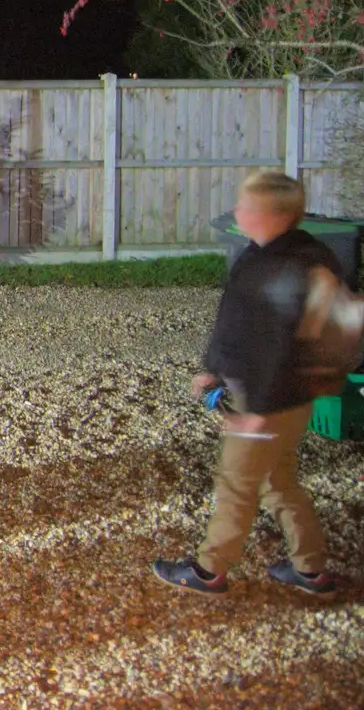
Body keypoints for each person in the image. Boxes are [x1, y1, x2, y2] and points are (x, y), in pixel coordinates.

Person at [152, 172, 343, 596]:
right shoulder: (297, 255)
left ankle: (207, 571)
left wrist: (255, 410)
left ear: (273, 215)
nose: (237, 213)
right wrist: (213, 369)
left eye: (246, 207)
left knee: (237, 484)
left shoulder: (280, 268)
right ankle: (310, 570)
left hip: (266, 402)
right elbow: (238, 326)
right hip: (292, 401)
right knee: (280, 481)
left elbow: (275, 346)